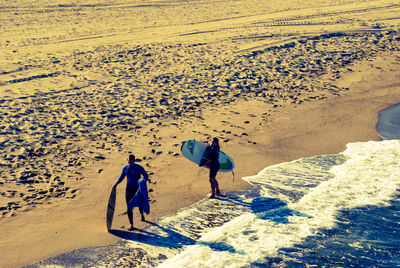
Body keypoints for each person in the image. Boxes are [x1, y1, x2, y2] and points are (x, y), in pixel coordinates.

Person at [114, 154, 149, 231]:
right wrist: (116, 184)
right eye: (128, 161)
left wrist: (143, 180)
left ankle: (141, 214)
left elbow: (146, 176)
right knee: (129, 207)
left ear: (134, 161)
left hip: (137, 190)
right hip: (128, 190)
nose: (129, 163)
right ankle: (131, 224)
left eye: (131, 162)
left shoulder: (139, 168)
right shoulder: (125, 168)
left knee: (139, 204)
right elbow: (121, 177)